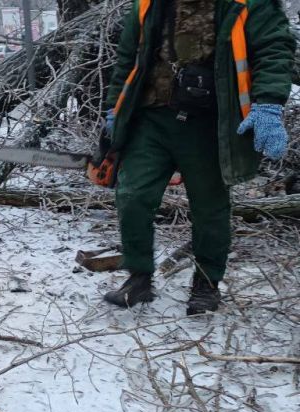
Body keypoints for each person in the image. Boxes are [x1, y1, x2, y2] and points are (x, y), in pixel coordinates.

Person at [102, 0, 294, 314]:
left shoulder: (248, 4)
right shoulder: (148, 6)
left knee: (209, 209)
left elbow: (275, 48)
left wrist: (269, 104)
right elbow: (127, 60)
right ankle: (138, 278)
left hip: (210, 121)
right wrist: (114, 108)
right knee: (132, 194)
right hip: (151, 117)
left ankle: (206, 285)